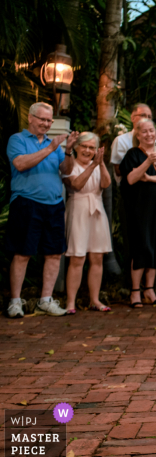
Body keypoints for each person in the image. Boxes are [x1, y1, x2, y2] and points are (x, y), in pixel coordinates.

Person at [5, 102, 79, 318]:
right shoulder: (17, 140)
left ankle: (45, 300)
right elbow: (20, 164)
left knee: (55, 253)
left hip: (54, 204)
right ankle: (15, 302)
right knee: (22, 253)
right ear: (30, 118)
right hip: (26, 202)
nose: (46, 124)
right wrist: (50, 148)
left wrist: (67, 151)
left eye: (49, 120)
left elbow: (66, 171)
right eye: (42, 119)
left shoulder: (53, 144)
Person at [120, 119, 156, 308]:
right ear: (137, 134)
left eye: (151, 131)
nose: (149, 135)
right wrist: (147, 162)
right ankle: (135, 290)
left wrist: (150, 178)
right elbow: (130, 178)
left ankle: (150, 289)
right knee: (140, 246)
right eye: (144, 132)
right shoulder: (132, 154)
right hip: (138, 209)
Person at [63, 132, 112, 314]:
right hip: (79, 209)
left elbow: (106, 184)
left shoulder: (98, 164)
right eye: (84, 146)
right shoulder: (70, 165)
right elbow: (76, 184)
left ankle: (94, 300)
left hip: (97, 210)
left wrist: (101, 163)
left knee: (97, 257)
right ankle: (70, 302)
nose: (88, 150)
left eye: (92, 147)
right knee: (77, 257)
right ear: (76, 147)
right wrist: (93, 166)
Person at [111, 103, 152, 289]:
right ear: (133, 118)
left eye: (149, 115)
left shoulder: (155, 142)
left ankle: (150, 285)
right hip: (130, 196)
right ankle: (131, 285)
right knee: (131, 240)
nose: (146, 118)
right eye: (142, 114)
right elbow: (120, 169)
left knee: (149, 239)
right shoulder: (122, 141)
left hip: (151, 196)